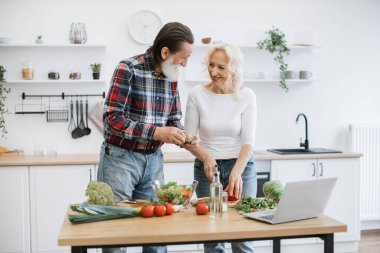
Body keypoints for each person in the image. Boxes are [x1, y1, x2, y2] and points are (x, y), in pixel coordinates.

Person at [98, 22, 197, 253]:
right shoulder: (128, 69)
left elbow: (173, 118)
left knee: (157, 236)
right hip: (120, 160)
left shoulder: (172, 77)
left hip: (153, 161)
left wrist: (183, 135)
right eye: (183, 57)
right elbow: (112, 119)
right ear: (165, 52)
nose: (185, 64)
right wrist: (156, 132)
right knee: (116, 237)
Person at [184, 42, 257, 253]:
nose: (213, 72)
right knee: (213, 236)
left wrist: (237, 171)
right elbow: (188, 139)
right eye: (211, 65)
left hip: (241, 167)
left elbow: (248, 142)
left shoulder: (246, 96)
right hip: (207, 170)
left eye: (221, 68)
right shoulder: (197, 94)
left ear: (234, 70)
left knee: (242, 235)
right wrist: (205, 156)